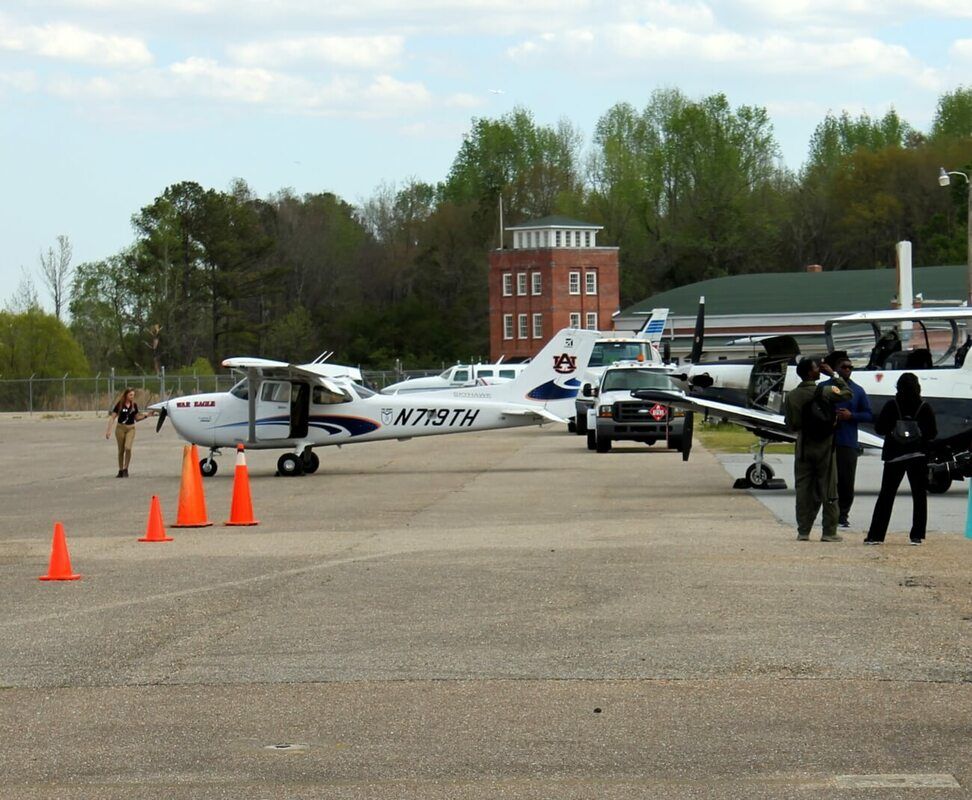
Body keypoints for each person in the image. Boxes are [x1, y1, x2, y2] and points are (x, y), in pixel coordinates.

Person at [783, 357, 852, 542]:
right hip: (825, 445)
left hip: (804, 445)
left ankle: (803, 531)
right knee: (828, 487)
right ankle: (829, 531)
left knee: (803, 489)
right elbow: (847, 393)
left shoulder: (791, 396)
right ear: (810, 373)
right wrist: (833, 375)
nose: (818, 370)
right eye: (815, 368)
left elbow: (790, 424)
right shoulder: (825, 391)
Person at [865, 373, 937, 546]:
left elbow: (880, 428)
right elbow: (932, 433)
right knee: (919, 496)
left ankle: (876, 535)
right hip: (918, 456)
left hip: (894, 456)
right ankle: (917, 535)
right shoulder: (924, 406)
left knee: (886, 496)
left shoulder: (892, 405)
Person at [823, 354, 874, 528]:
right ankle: (828, 513)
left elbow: (869, 415)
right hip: (826, 440)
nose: (848, 370)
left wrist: (851, 416)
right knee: (826, 479)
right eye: (844, 367)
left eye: (850, 367)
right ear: (835, 368)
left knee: (846, 480)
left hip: (847, 441)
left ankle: (843, 515)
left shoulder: (857, 391)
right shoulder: (824, 387)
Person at [105, 388, 154, 477]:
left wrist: (147, 415)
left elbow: (136, 418)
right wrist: (109, 430)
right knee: (121, 450)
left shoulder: (134, 405)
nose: (132, 397)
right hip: (120, 428)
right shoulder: (120, 405)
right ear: (126, 395)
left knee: (128, 448)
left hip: (130, 428)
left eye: (133, 395)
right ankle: (120, 470)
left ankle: (126, 468)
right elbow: (112, 417)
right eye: (130, 395)